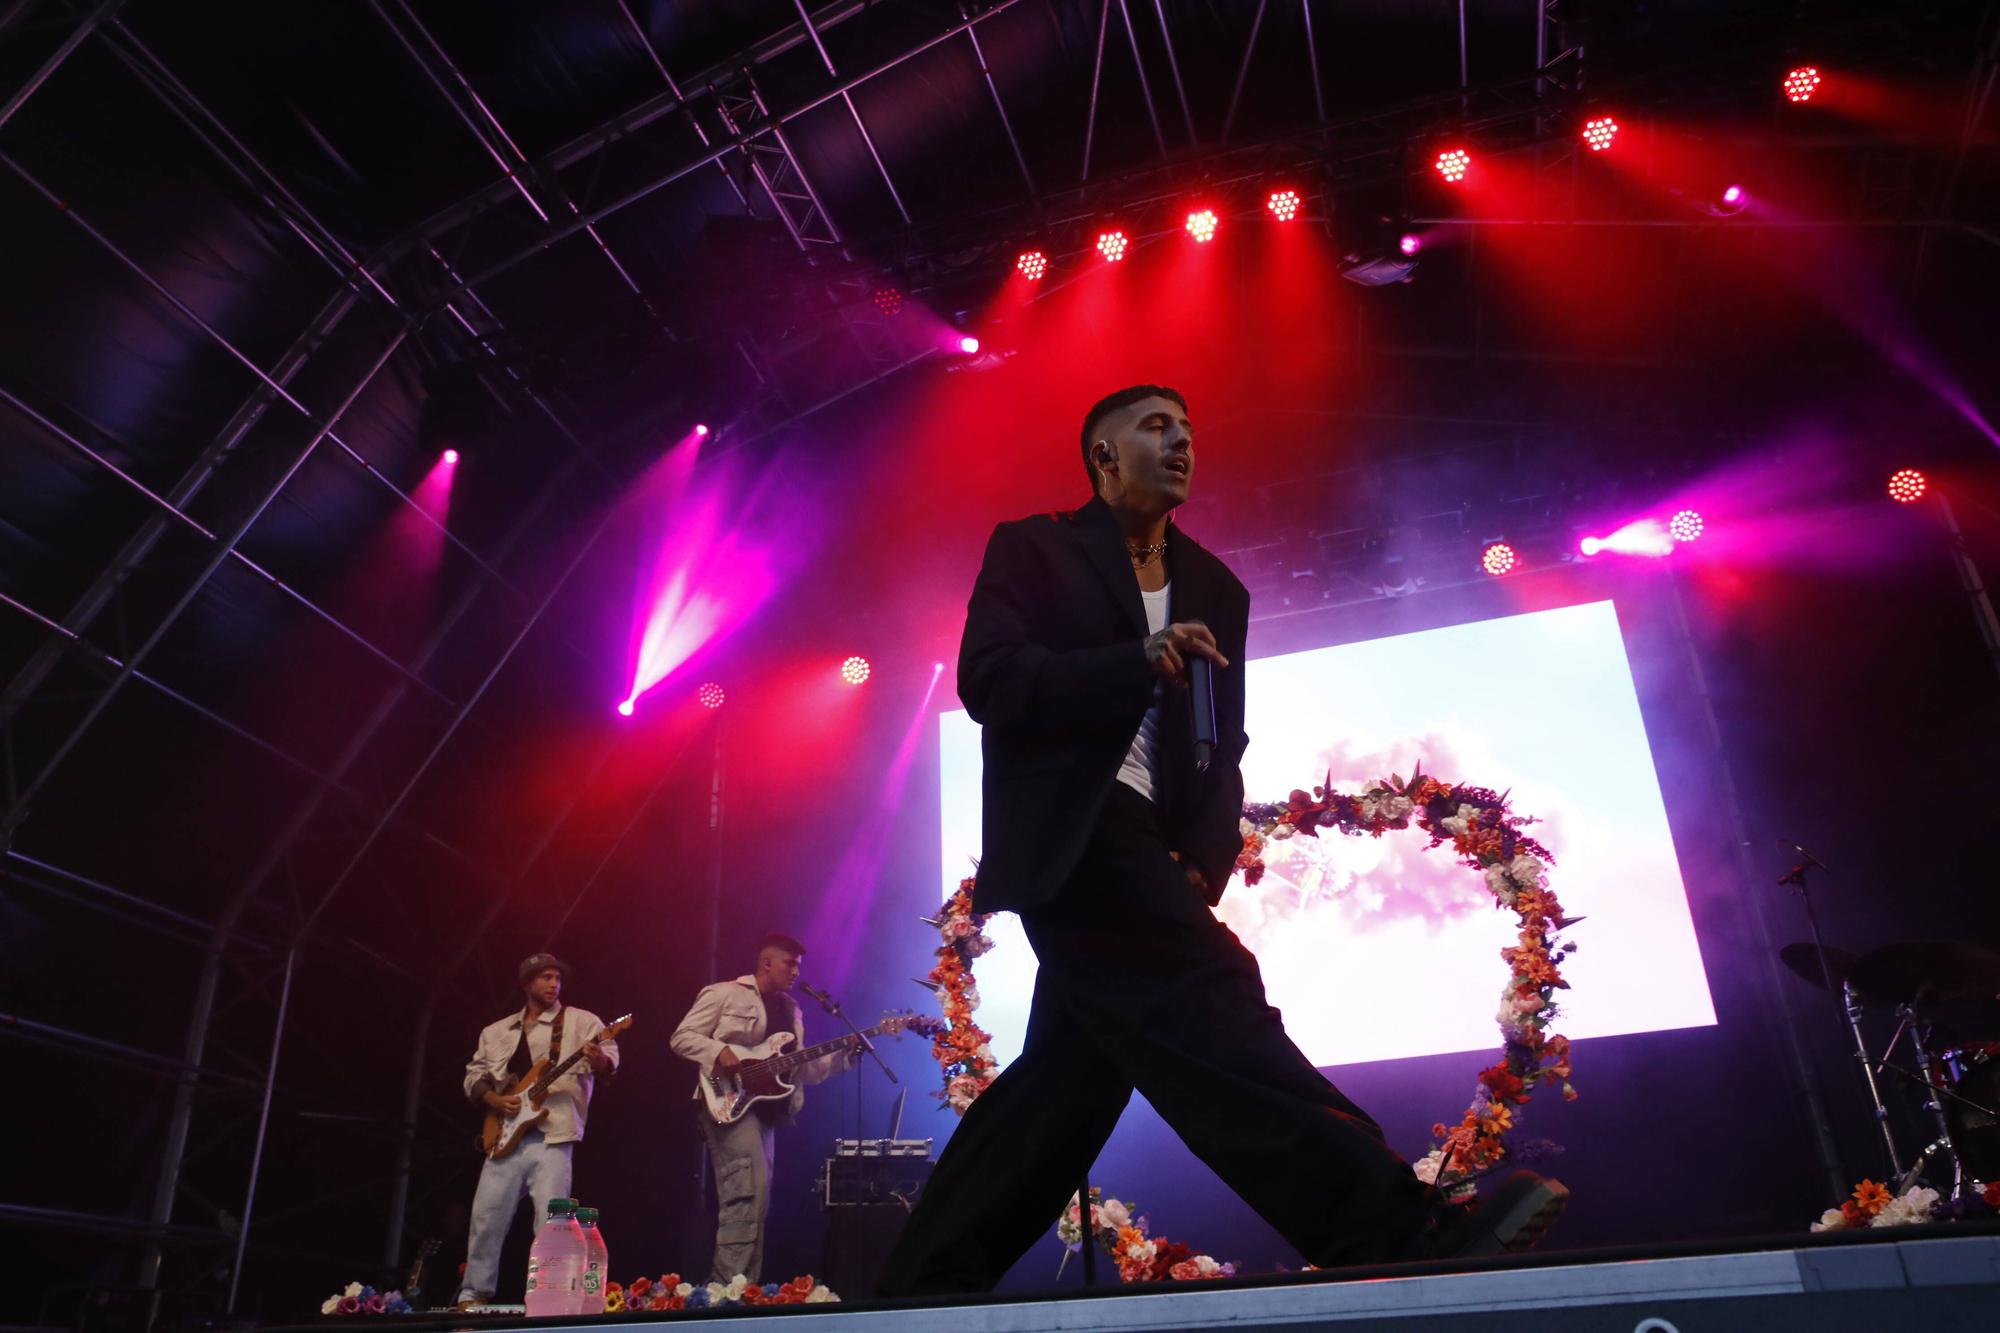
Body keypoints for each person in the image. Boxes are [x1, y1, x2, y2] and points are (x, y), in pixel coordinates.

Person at [876, 385, 1567, 1293]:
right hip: (1074, 837)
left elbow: (1222, 742)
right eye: (1156, 427)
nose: (1181, 442)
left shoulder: (1214, 585)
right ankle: (1395, 1231)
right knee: (1218, 1001)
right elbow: (991, 680)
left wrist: (1202, 860)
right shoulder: (1036, 545)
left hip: (1154, 847)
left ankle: (919, 1291)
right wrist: (1131, 661)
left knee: (1059, 1095)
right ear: (1102, 453)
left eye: (1189, 428)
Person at [671, 933, 860, 1284]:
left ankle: (743, 1290)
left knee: (757, 1205)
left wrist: (843, 1057)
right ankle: (724, 1295)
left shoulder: (792, 1010)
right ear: (766, 963)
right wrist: (717, 1051)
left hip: (768, 1115)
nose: (795, 972)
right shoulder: (723, 993)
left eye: (799, 966)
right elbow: (682, 1037)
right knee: (744, 1198)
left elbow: (801, 1070)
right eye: (789, 964)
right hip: (727, 1104)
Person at [455, 952, 618, 1306]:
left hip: (554, 1136)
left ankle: (549, 1296)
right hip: (503, 1137)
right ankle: (474, 1293)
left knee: (552, 1222)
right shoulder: (495, 1031)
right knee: (486, 1217)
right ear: (526, 984)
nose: (553, 984)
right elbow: (474, 1075)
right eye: (544, 978)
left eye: (557, 978)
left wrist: (600, 1060)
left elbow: (609, 1060)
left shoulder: (581, 1021)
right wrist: (494, 1101)